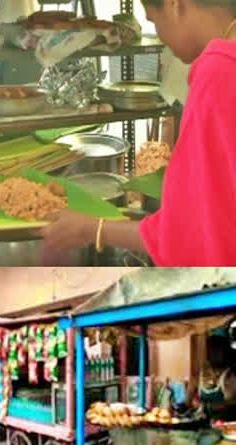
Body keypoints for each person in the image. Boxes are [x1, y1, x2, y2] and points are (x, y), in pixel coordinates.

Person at [39, 0, 236, 265]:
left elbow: (193, 235)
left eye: (153, 21)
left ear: (175, 5)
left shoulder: (219, 75)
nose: (162, 38)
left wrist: (92, 228)